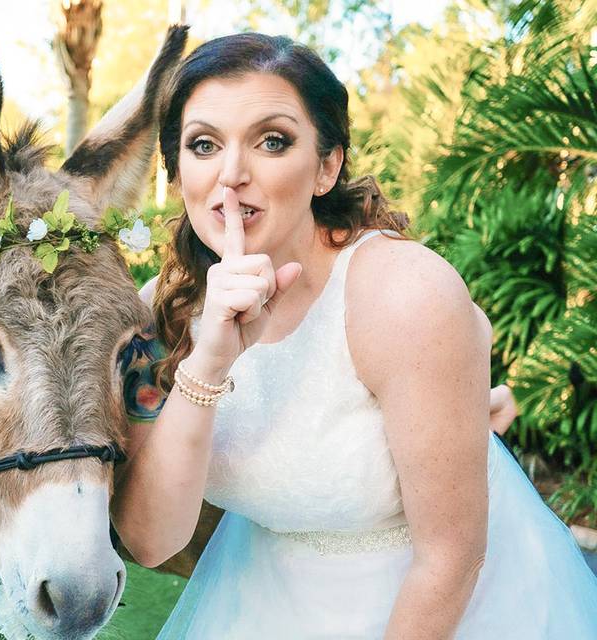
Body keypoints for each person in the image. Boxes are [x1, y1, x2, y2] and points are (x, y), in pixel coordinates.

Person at [110, 32, 597, 638]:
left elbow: (450, 558)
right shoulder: (156, 310)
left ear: (326, 167)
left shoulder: (405, 295)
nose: (231, 175)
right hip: (265, 599)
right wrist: (207, 362)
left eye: (272, 141)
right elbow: (151, 542)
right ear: (179, 175)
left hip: (441, 606)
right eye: (204, 145)